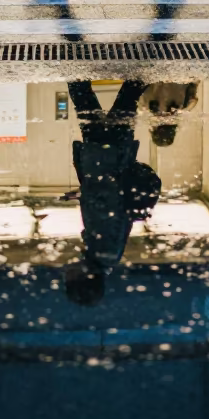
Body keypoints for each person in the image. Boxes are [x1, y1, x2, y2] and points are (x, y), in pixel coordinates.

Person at [64, 79, 160, 305]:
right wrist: (89, 187)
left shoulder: (104, 256)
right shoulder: (103, 249)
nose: (65, 273)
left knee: (127, 96)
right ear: (84, 278)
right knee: (83, 93)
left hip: (112, 154)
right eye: (69, 279)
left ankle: (144, 56)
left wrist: (83, 193)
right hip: (105, 154)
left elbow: (109, 204)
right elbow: (108, 201)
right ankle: (75, 53)